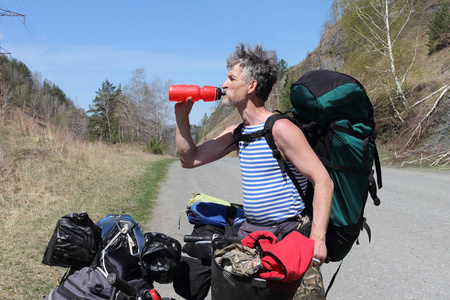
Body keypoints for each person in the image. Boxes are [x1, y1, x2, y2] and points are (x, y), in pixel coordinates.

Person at [175, 43, 334, 299]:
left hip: (289, 237)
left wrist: (318, 238)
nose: (224, 84)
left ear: (251, 87)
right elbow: (189, 159)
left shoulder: (280, 129)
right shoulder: (239, 133)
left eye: (231, 78)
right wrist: (182, 118)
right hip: (253, 236)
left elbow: (323, 181)